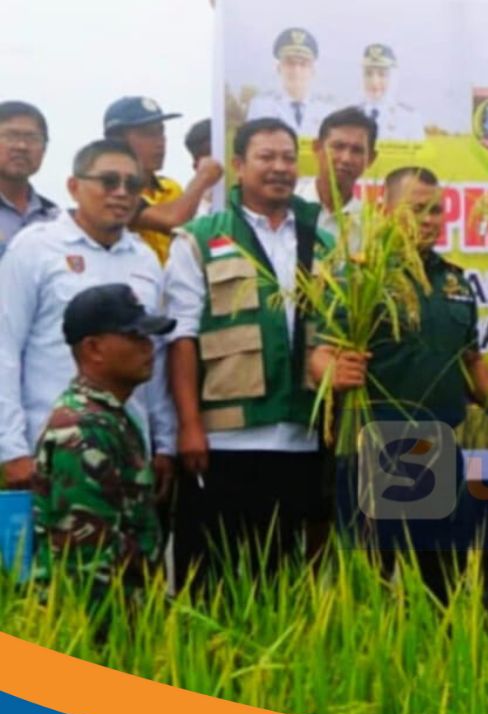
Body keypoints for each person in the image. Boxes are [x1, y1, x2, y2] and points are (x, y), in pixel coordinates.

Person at [313, 166, 488, 602]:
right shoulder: (357, 276)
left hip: (438, 445)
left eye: (436, 210)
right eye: (416, 209)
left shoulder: (455, 282)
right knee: (369, 589)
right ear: (385, 210)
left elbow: (470, 358)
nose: (428, 220)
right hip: (373, 446)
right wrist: (333, 371)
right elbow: (320, 353)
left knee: (442, 584)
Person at [164, 118, 331, 586]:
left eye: (288, 158)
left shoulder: (322, 242)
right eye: (266, 157)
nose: (279, 167)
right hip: (223, 442)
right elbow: (181, 337)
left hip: (299, 439)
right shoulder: (199, 237)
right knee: (208, 579)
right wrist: (189, 425)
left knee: (278, 582)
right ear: (238, 165)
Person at [0, 139, 175, 496]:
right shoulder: (36, 247)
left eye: (132, 184)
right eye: (108, 181)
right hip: (52, 448)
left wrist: (165, 442)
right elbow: (5, 348)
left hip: (128, 448)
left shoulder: (145, 259)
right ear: (74, 186)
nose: (121, 193)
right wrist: (11, 448)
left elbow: (154, 354)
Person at [32, 284, 175, 586]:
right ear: (93, 349)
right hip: (96, 610)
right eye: (134, 336)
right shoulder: (81, 430)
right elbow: (85, 564)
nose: (148, 346)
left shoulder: (110, 417)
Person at [102, 97, 224, 264]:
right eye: (148, 134)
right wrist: (202, 178)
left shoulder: (171, 187)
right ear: (118, 141)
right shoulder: (113, 192)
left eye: (161, 131)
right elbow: (174, 220)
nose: (160, 141)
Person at [296, 107, 377, 239]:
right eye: (338, 147)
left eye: (357, 150)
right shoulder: (284, 207)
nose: (346, 159)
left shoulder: (372, 228)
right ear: (317, 148)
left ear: (371, 158)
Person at [246, 28, 332, 138]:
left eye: (303, 64)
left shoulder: (327, 112)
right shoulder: (261, 108)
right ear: (279, 68)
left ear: (313, 71)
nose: (296, 70)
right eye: (290, 63)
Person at [0, 101, 58, 260]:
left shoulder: (54, 218)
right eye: (11, 136)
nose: (22, 146)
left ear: (44, 149)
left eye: (33, 138)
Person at [358, 44, 425, 142]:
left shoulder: (410, 118)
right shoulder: (350, 117)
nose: (374, 81)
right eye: (368, 74)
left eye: (382, 75)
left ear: (393, 78)